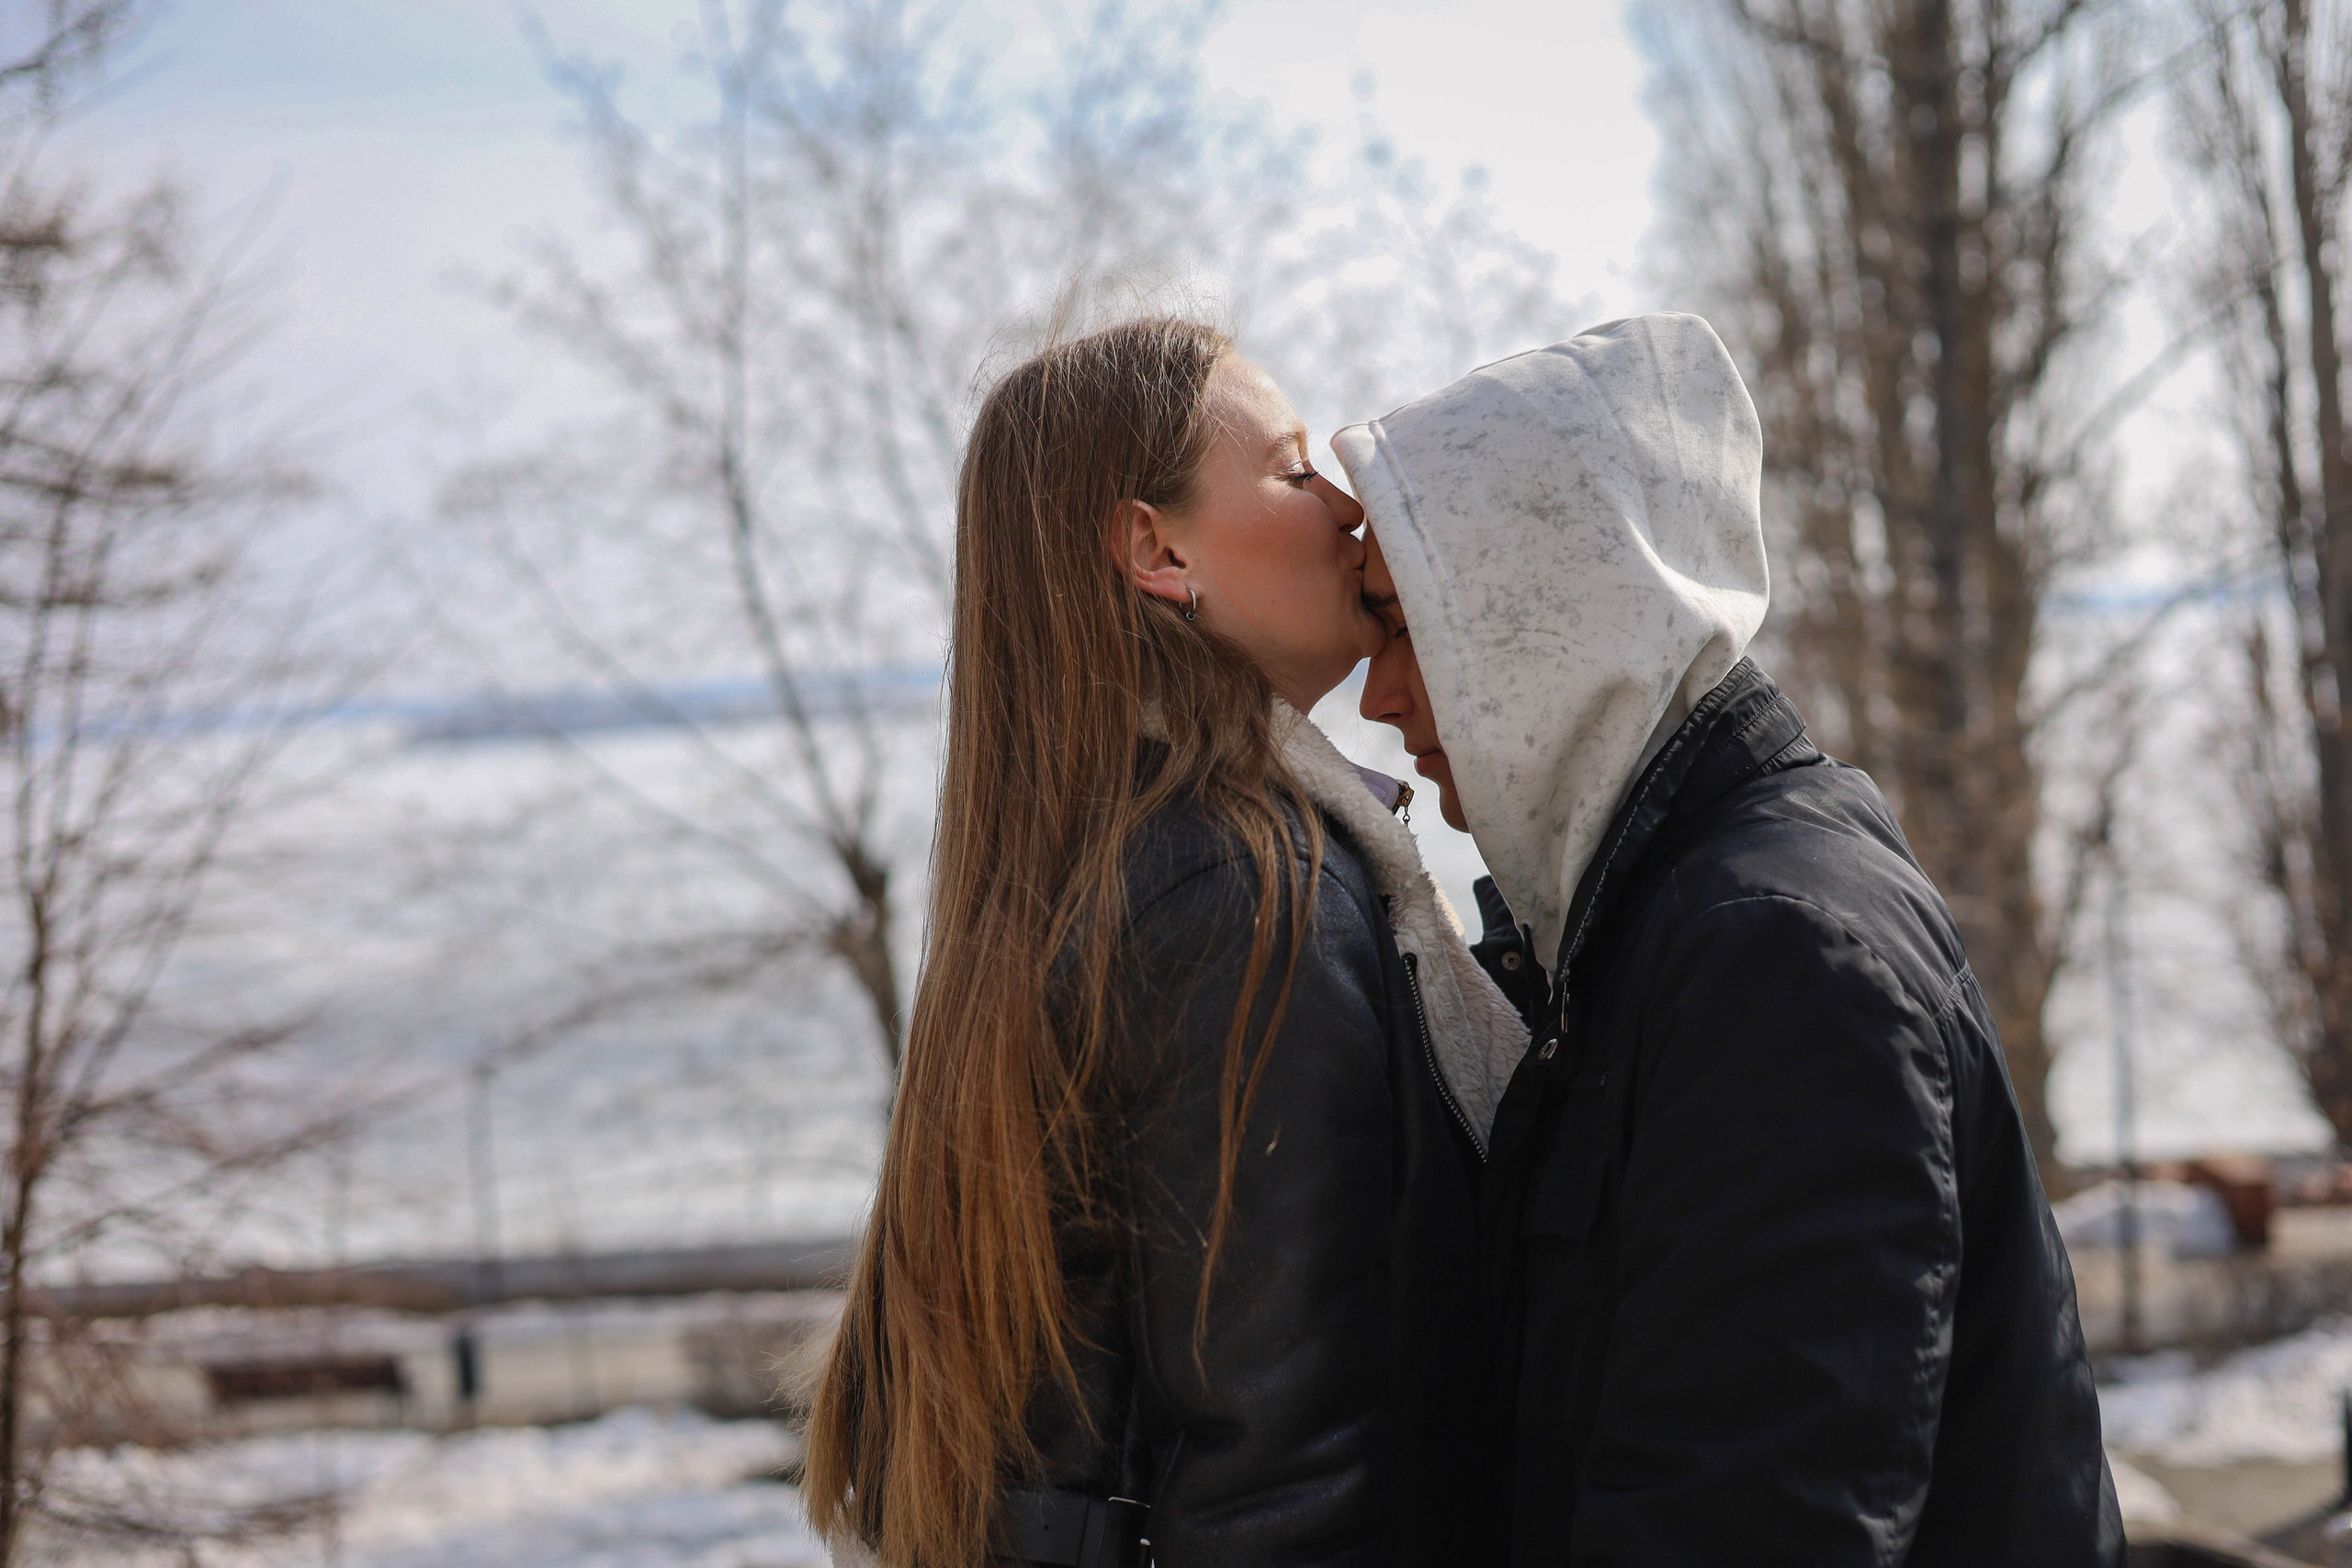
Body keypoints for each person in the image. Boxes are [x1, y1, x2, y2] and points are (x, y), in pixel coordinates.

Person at [1338, 312, 2125, 1565]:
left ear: (1544, 606)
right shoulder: (1656, 930)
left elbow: (1749, 1524)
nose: (1377, 697)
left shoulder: (1777, 958)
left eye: (1400, 618)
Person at [802, 318, 1525, 1568]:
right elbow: (1284, 1478)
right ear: (1156, 548)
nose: (1348, 506)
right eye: (1294, 470)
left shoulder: (1103, 868)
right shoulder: (1239, 899)